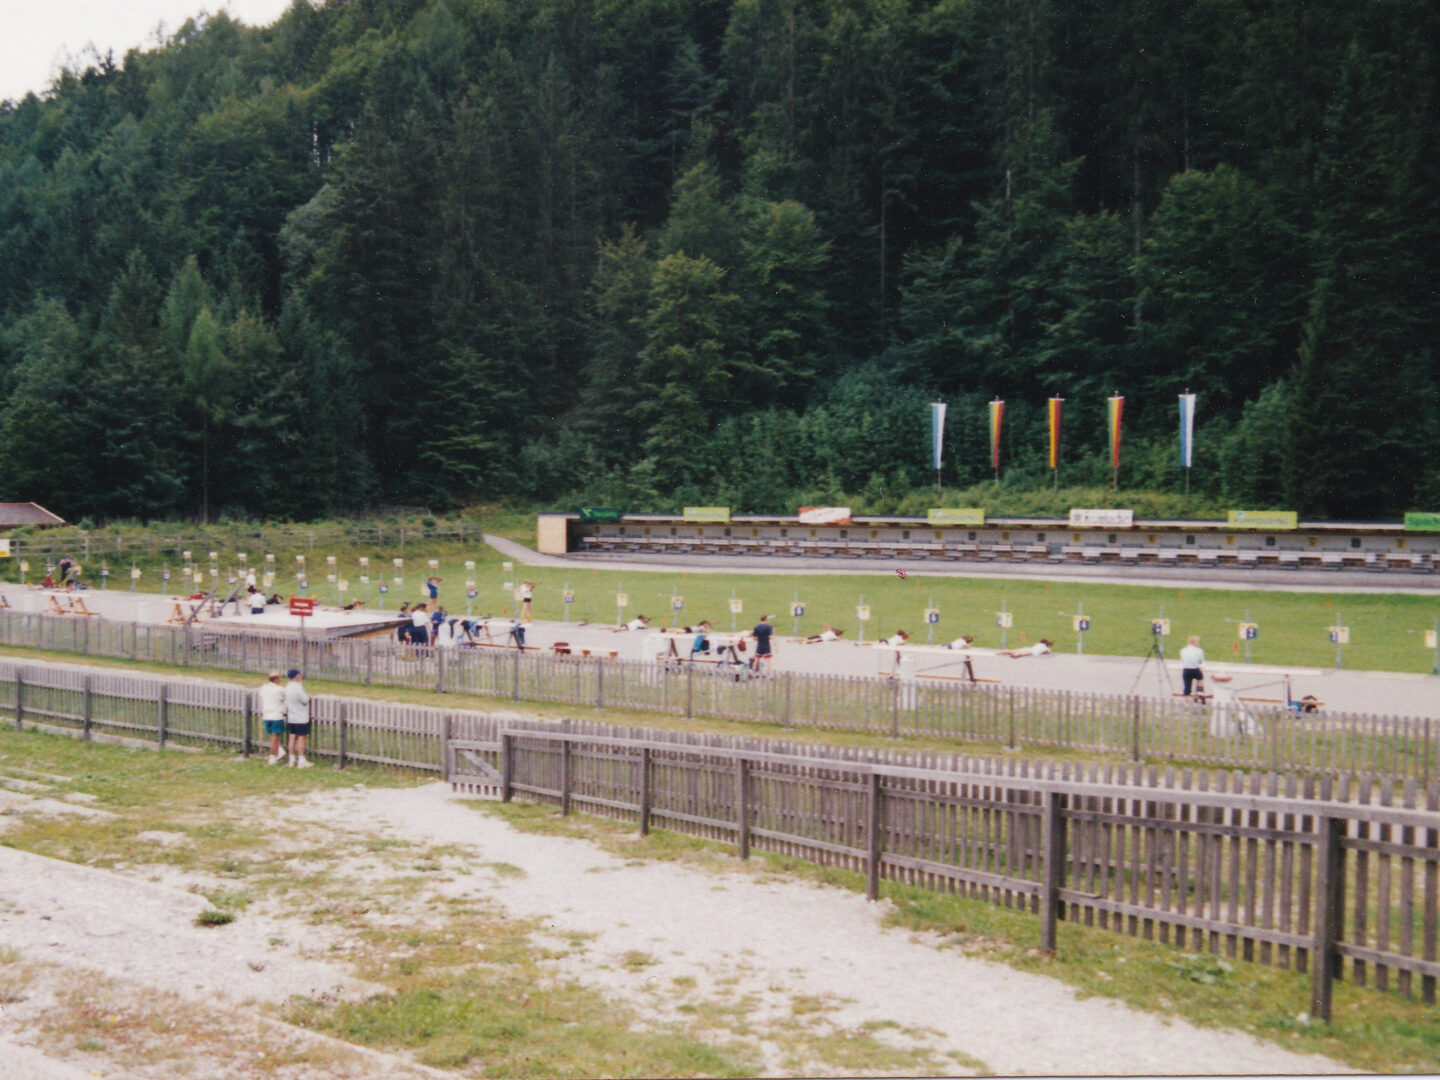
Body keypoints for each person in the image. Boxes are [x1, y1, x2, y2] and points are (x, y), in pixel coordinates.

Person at [284, 668, 312, 768]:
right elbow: (305, 699)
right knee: (301, 738)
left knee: (292, 737)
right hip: (301, 716)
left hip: (291, 716)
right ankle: (301, 759)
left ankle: (291, 759)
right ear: (296, 676)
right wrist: (309, 697)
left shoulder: (287, 687)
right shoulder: (298, 688)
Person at [259, 670, 287, 764]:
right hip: (276, 715)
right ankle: (272, 757)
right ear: (276, 679)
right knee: (275, 737)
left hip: (266, 715)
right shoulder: (280, 690)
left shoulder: (263, 688)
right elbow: (285, 698)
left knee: (272, 736)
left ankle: (280, 750)